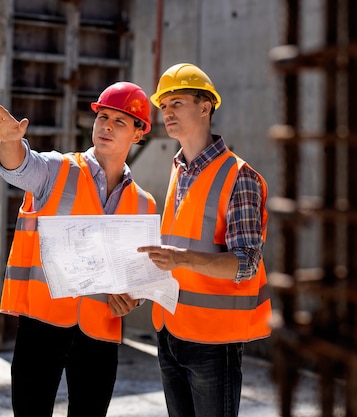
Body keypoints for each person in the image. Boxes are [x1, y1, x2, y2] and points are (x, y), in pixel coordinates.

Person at [0, 81, 157, 417]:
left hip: (101, 330)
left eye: (120, 121)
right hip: (43, 322)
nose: (106, 125)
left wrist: (134, 298)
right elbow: (20, 166)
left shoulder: (144, 204)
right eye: (102, 116)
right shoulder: (57, 169)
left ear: (138, 134)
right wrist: (10, 142)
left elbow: (139, 276)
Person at [137, 63, 272, 417]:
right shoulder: (178, 170)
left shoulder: (239, 176)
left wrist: (181, 258)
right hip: (169, 331)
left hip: (214, 342)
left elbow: (246, 263)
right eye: (163, 106)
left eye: (177, 102)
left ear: (205, 106)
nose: (167, 112)